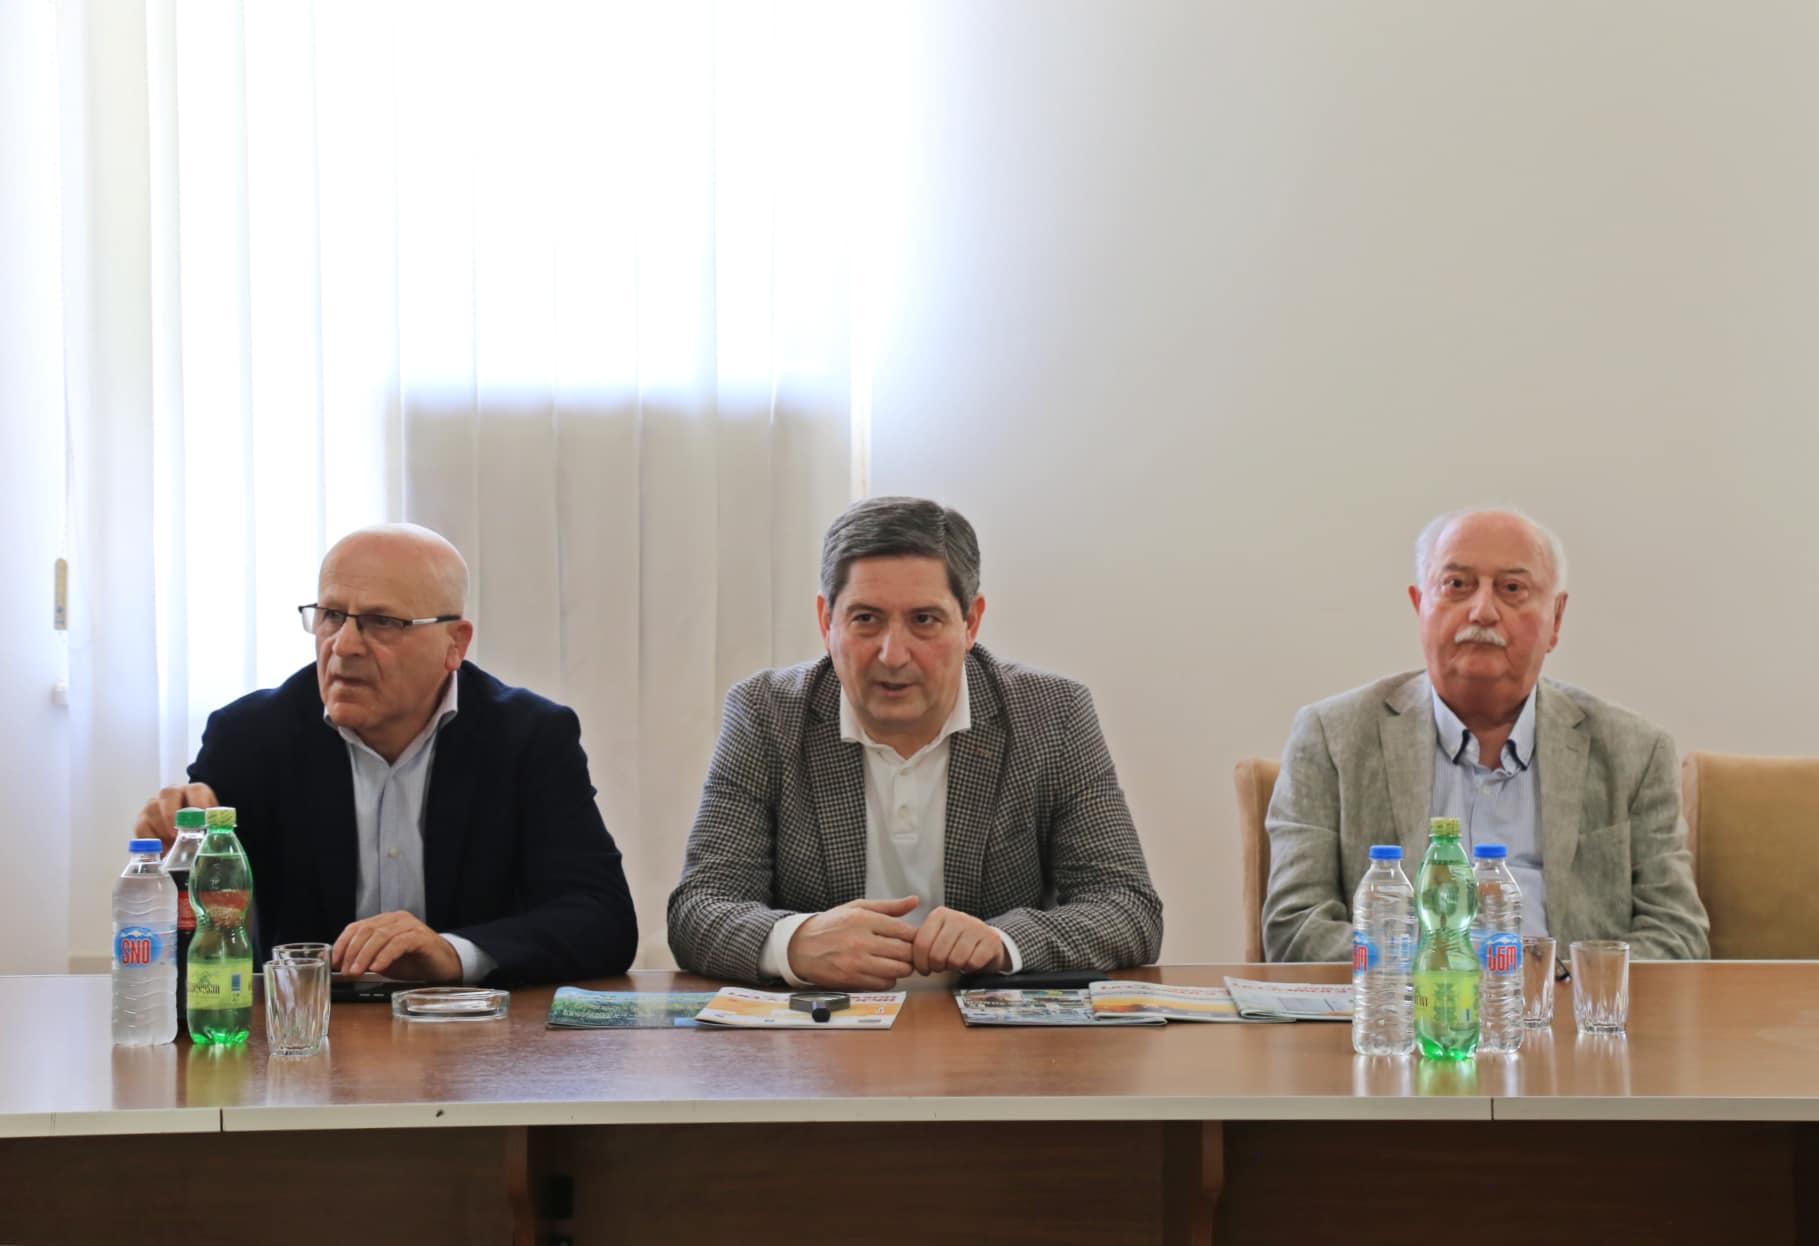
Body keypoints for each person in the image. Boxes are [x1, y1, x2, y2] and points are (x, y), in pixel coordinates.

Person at [667, 496, 1163, 989]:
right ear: (826, 621)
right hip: (824, 1030)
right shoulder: (766, 712)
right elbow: (699, 909)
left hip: (988, 1032)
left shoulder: (1052, 714)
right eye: (866, 619)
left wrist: (1001, 941)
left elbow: (1127, 906)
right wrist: (794, 942)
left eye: (924, 620)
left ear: (970, 623)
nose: (893, 654)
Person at [134, 523, 637, 985]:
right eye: (332, 616)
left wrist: (453, 954)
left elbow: (602, 918)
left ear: (454, 644)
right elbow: (194, 920)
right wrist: (173, 854)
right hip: (308, 1032)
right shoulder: (251, 736)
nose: (344, 646)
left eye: (381, 622)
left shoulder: (527, 737)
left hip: (473, 1031)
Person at [1262, 507, 1709, 962]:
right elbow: (1295, 928)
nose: (1482, 611)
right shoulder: (1332, 738)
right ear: (1420, 606)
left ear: (1556, 619)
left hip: (1564, 1001)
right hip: (1405, 1004)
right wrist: (1445, 976)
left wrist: (1555, 983)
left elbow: (1677, 934)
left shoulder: (1634, 752)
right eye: (1457, 585)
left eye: (1512, 589)